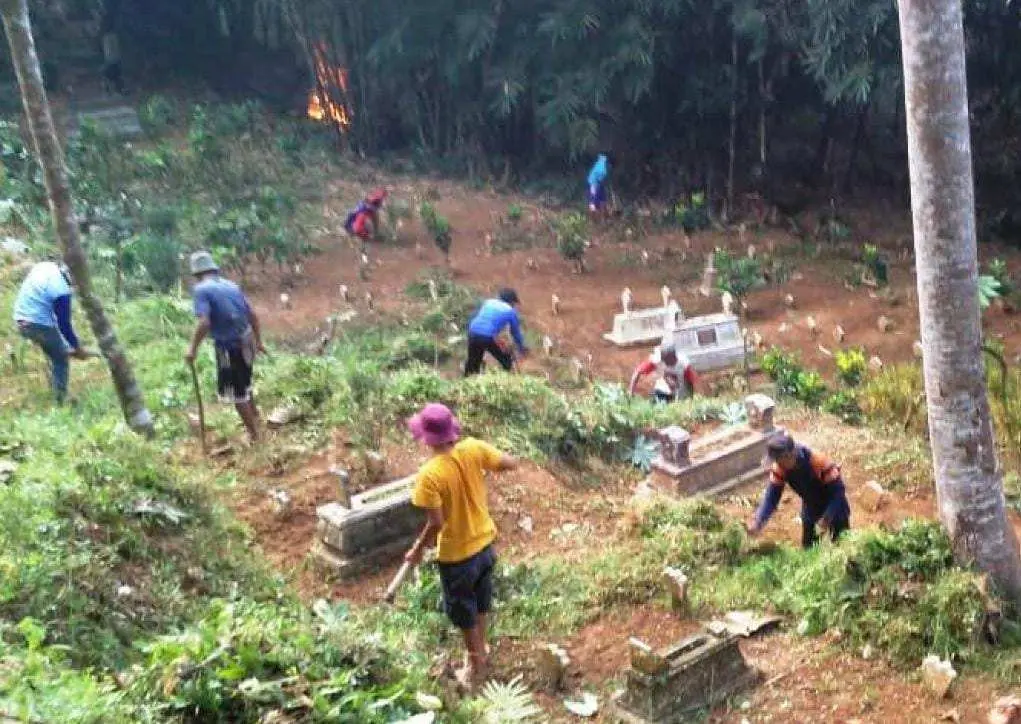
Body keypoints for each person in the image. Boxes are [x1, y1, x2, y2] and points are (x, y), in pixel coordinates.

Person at [404, 403, 517, 690]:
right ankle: (483, 650)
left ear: (427, 439)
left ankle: (475, 664)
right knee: (480, 600)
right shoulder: (473, 449)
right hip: (484, 546)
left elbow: (437, 523)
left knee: (463, 610)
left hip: (457, 556)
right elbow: (509, 463)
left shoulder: (429, 475)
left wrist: (417, 549)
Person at [184, 251, 266, 443]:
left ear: (196, 274)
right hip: (247, 339)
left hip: (229, 346)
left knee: (237, 393)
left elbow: (204, 323)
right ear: (213, 269)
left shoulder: (201, 291)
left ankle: (255, 436)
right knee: (245, 383)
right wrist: (259, 341)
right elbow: (252, 314)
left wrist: (192, 349)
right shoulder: (231, 285)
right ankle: (255, 418)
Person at [748, 432, 851, 548]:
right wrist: (759, 521)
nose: (776, 464)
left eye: (778, 460)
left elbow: (838, 493)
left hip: (835, 506)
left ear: (789, 456)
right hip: (810, 505)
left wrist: (826, 518)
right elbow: (771, 497)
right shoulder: (780, 468)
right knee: (808, 548)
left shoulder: (819, 462)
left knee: (842, 545)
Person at [12, 260, 90, 403]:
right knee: (60, 358)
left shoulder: (46, 266)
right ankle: (60, 399)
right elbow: (64, 326)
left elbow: (56, 321)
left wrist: (69, 346)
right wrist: (78, 349)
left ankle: (54, 383)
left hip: (20, 318)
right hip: (37, 324)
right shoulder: (61, 291)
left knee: (55, 348)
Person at [464, 288, 528, 376]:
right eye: (514, 303)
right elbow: (515, 333)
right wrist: (521, 348)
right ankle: (507, 379)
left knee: (473, 362)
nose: (514, 305)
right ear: (510, 301)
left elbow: (476, 316)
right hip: (486, 336)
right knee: (506, 360)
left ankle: (467, 380)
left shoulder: (488, 302)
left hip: (472, 332)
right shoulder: (510, 311)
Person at [628, 339, 697, 403]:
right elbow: (637, 372)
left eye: (667, 360)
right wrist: (631, 392)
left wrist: (692, 399)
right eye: (663, 360)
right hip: (662, 391)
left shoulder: (684, 364)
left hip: (681, 394)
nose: (664, 362)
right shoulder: (657, 360)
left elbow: (693, 382)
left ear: (673, 357)